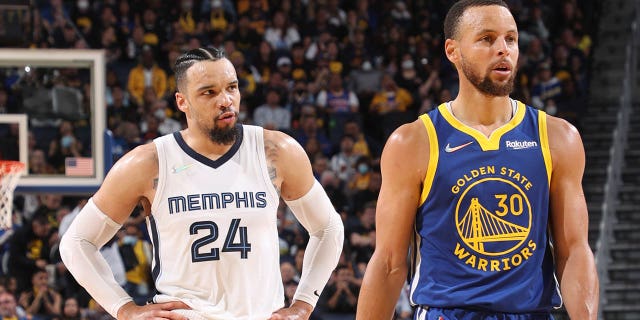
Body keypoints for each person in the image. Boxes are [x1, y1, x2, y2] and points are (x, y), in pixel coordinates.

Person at [60, 47, 344, 320]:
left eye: (231, 87)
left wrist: (304, 304)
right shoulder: (148, 163)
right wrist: (124, 309)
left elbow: (328, 227)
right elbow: (76, 243)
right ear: (182, 101)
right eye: (209, 92)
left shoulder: (277, 151)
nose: (225, 100)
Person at [356, 1, 598, 319]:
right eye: (486, 39)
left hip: (530, 312)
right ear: (452, 51)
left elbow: (575, 251)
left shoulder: (557, 137)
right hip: (448, 312)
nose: (503, 49)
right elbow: (389, 263)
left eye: (510, 39)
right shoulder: (414, 141)